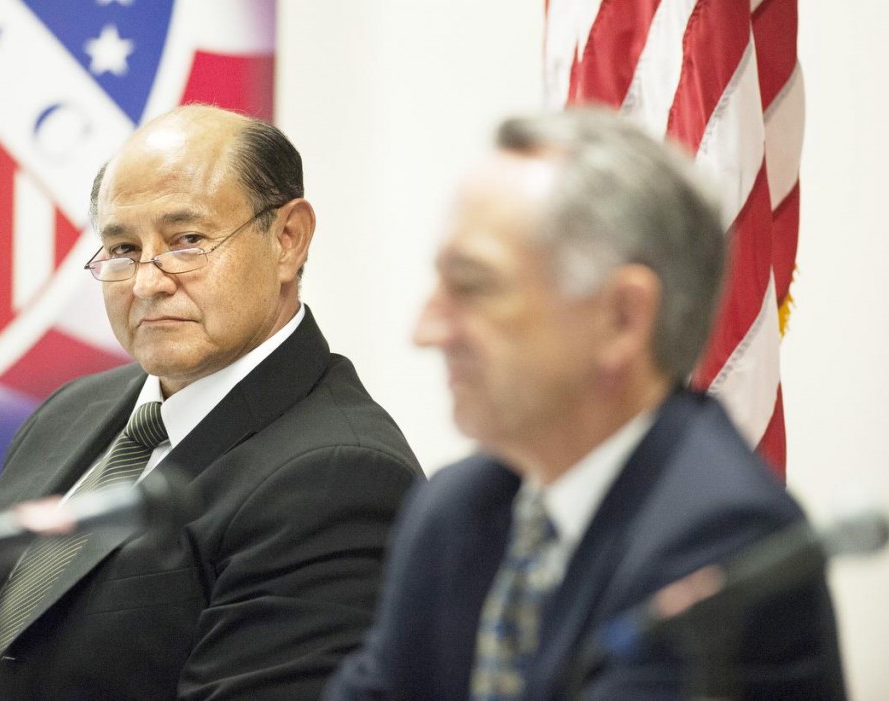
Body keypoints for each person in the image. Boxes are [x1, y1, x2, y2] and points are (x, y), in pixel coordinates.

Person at [0, 104, 423, 701]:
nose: (147, 281)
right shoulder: (69, 411)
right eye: (122, 248)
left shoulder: (340, 476)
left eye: (187, 241)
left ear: (287, 239)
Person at [324, 109, 845, 700]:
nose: (426, 329)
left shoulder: (722, 545)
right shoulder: (454, 511)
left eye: (472, 285)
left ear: (621, 318)